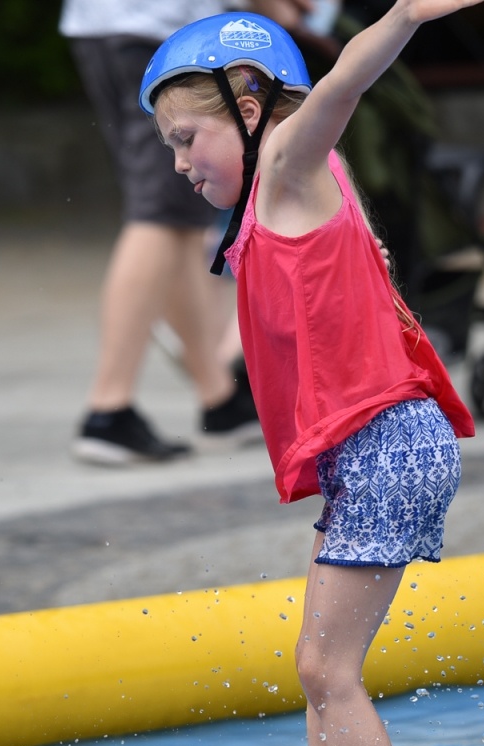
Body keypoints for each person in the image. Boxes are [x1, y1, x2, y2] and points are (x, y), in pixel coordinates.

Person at [138, 1, 481, 746]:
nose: (179, 162)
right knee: (318, 669)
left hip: (385, 443)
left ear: (250, 110)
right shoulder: (276, 190)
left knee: (329, 671)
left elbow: (338, 89)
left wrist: (405, 13)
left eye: (188, 137)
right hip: (372, 449)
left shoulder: (291, 164)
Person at [62, 1, 306, 465]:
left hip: (101, 25)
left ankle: (218, 398)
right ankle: (108, 408)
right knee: (161, 217)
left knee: (180, 225)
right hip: (164, 36)